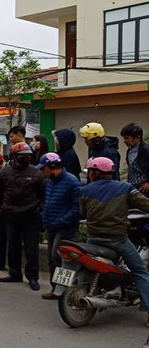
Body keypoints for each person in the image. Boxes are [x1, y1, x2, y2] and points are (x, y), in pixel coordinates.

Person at [81, 156, 149, 319]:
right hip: (117, 240)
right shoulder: (125, 188)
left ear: (96, 173)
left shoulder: (85, 190)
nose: (89, 174)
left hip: (93, 238)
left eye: (90, 171)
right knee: (140, 271)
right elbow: (145, 204)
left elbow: (82, 213)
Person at [0, 142, 46, 290]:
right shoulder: (4, 173)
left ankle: (33, 277)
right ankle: (14, 274)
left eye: (28, 156)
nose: (25, 158)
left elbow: (43, 195)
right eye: (22, 156)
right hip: (10, 216)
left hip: (30, 217)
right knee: (13, 247)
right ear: (14, 157)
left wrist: (39, 209)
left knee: (31, 249)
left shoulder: (36, 173)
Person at [37, 152, 81, 300]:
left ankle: (64, 291)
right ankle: (56, 288)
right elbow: (47, 201)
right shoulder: (50, 181)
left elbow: (77, 208)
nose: (42, 172)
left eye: (44, 169)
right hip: (51, 225)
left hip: (66, 227)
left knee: (61, 258)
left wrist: (61, 220)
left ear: (52, 167)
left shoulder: (72, 182)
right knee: (51, 258)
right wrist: (44, 216)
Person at [121, 123, 149, 195]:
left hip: (144, 188)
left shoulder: (146, 150)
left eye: (127, 138)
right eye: (124, 138)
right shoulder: (129, 151)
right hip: (133, 187)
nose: (124, 141)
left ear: (137, 137)